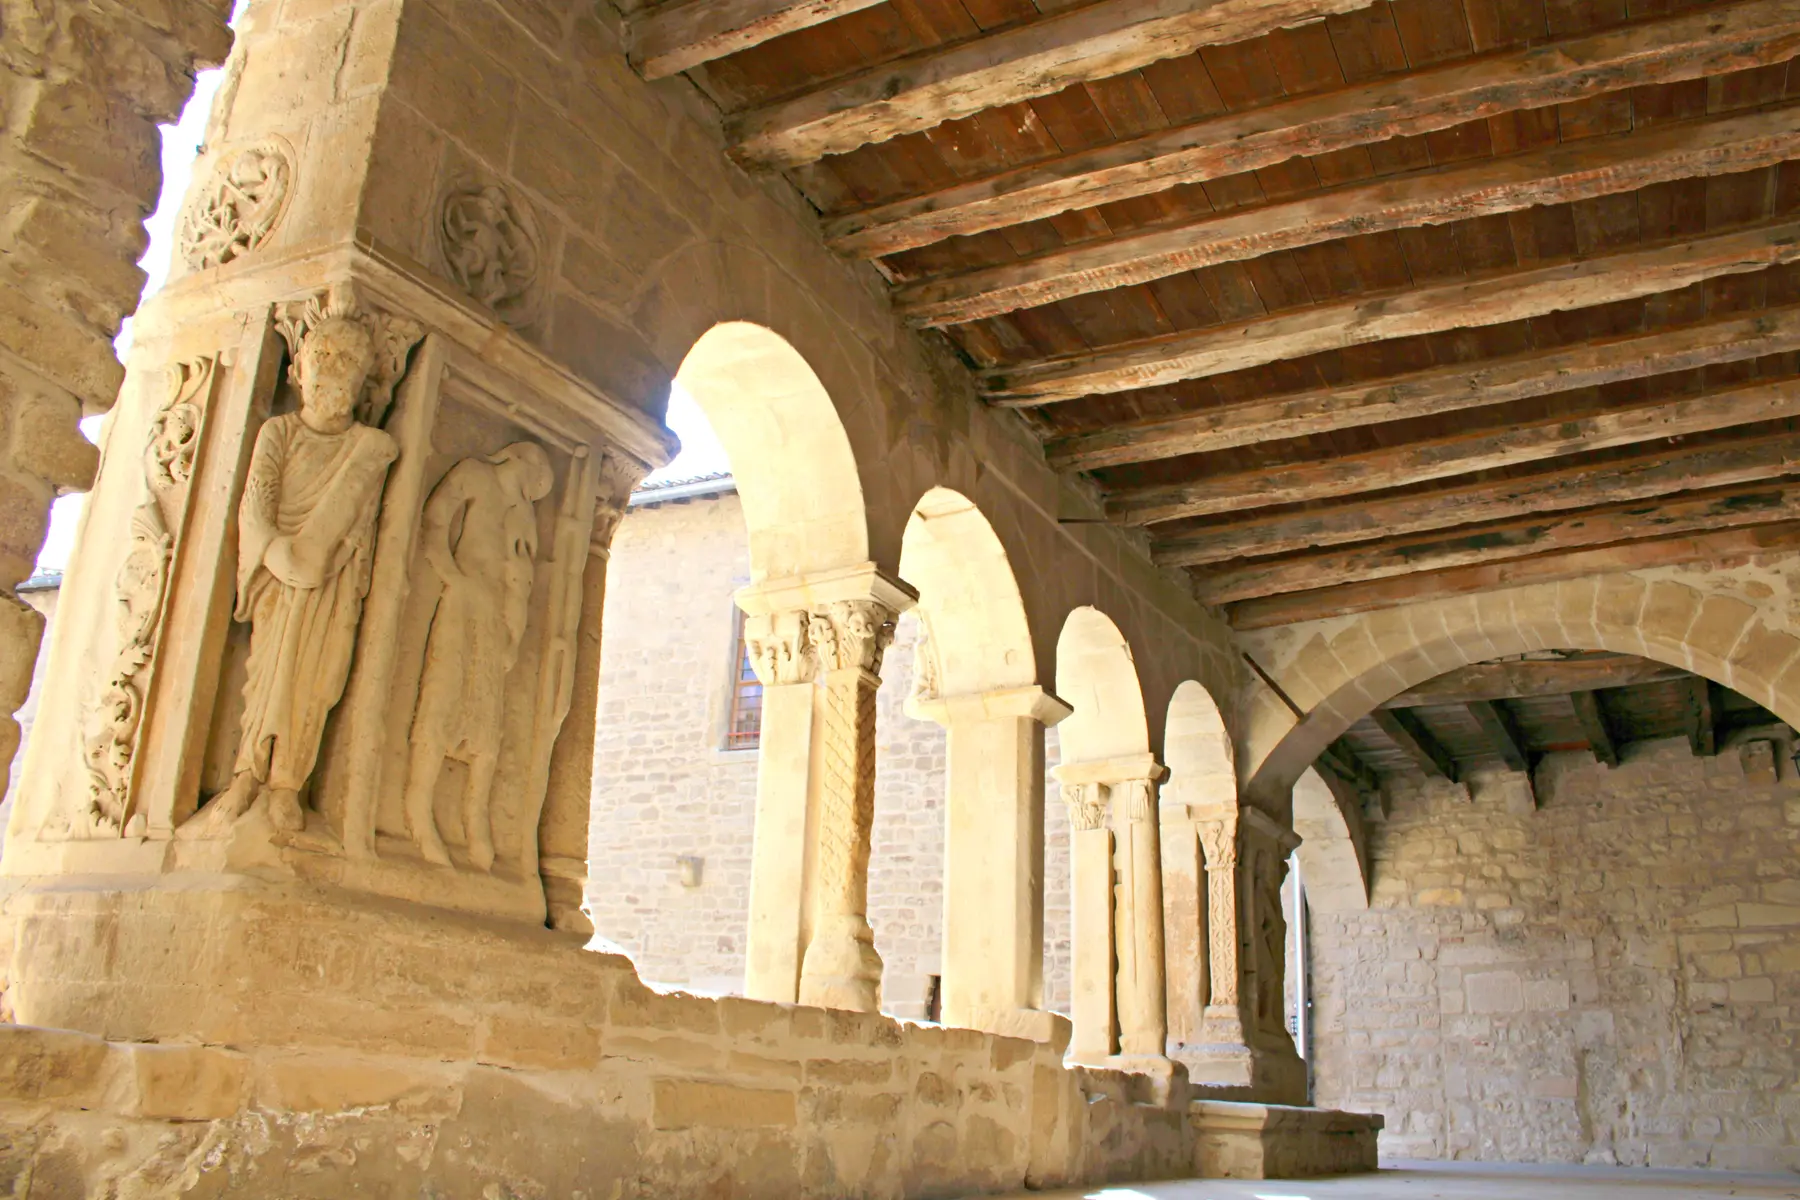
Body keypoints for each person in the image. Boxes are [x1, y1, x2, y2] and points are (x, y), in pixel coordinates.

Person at [211, 312, 398, 832]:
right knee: (267, 672)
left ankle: (288, 784)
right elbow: (256, 504)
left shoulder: (366, 447)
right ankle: (248, 771)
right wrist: (277, 555)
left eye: (346, 360)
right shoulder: (280, 432)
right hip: (277, 574)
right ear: (299, 369)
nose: (332, 369)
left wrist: (331, 561)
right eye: (323, 356)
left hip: (329, 582)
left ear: (363, 378)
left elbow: (363, 526)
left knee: (317, 679)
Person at [402, 441, 553, 870]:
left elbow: (520, 579)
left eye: (539, 487)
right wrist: (453, 577)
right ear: (518, 457)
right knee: (442, 697)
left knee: (487, 724)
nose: (532, 489)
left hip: (493, 621)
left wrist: (513, 635)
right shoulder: (473, 473)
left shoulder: (523, 515)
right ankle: (418, 806)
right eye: (534, 478)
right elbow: (434, 522)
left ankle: (475, 818)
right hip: (463, 601)